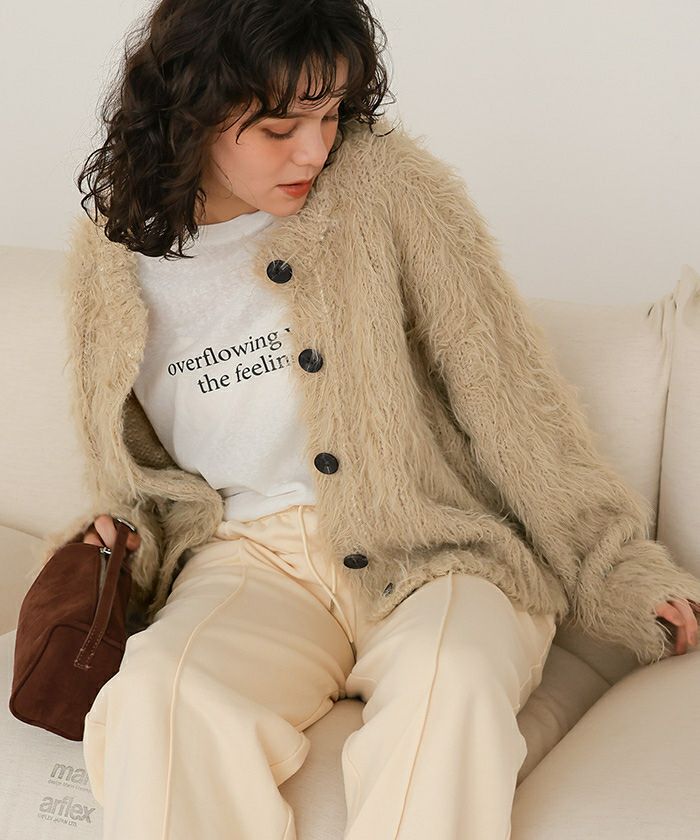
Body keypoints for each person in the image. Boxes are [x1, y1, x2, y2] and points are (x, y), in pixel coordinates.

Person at [43, 0, 700, 837]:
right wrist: (123, 542)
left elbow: (506, 390)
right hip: (250, 559)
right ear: (190, 111)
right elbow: (136, 468)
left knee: (451, 684)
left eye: (329, 115)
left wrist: (614, 567)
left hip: (437, 545)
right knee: (160, 700)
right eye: (280, 127)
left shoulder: (383, 185)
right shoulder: (111, 258)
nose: (314, 150)